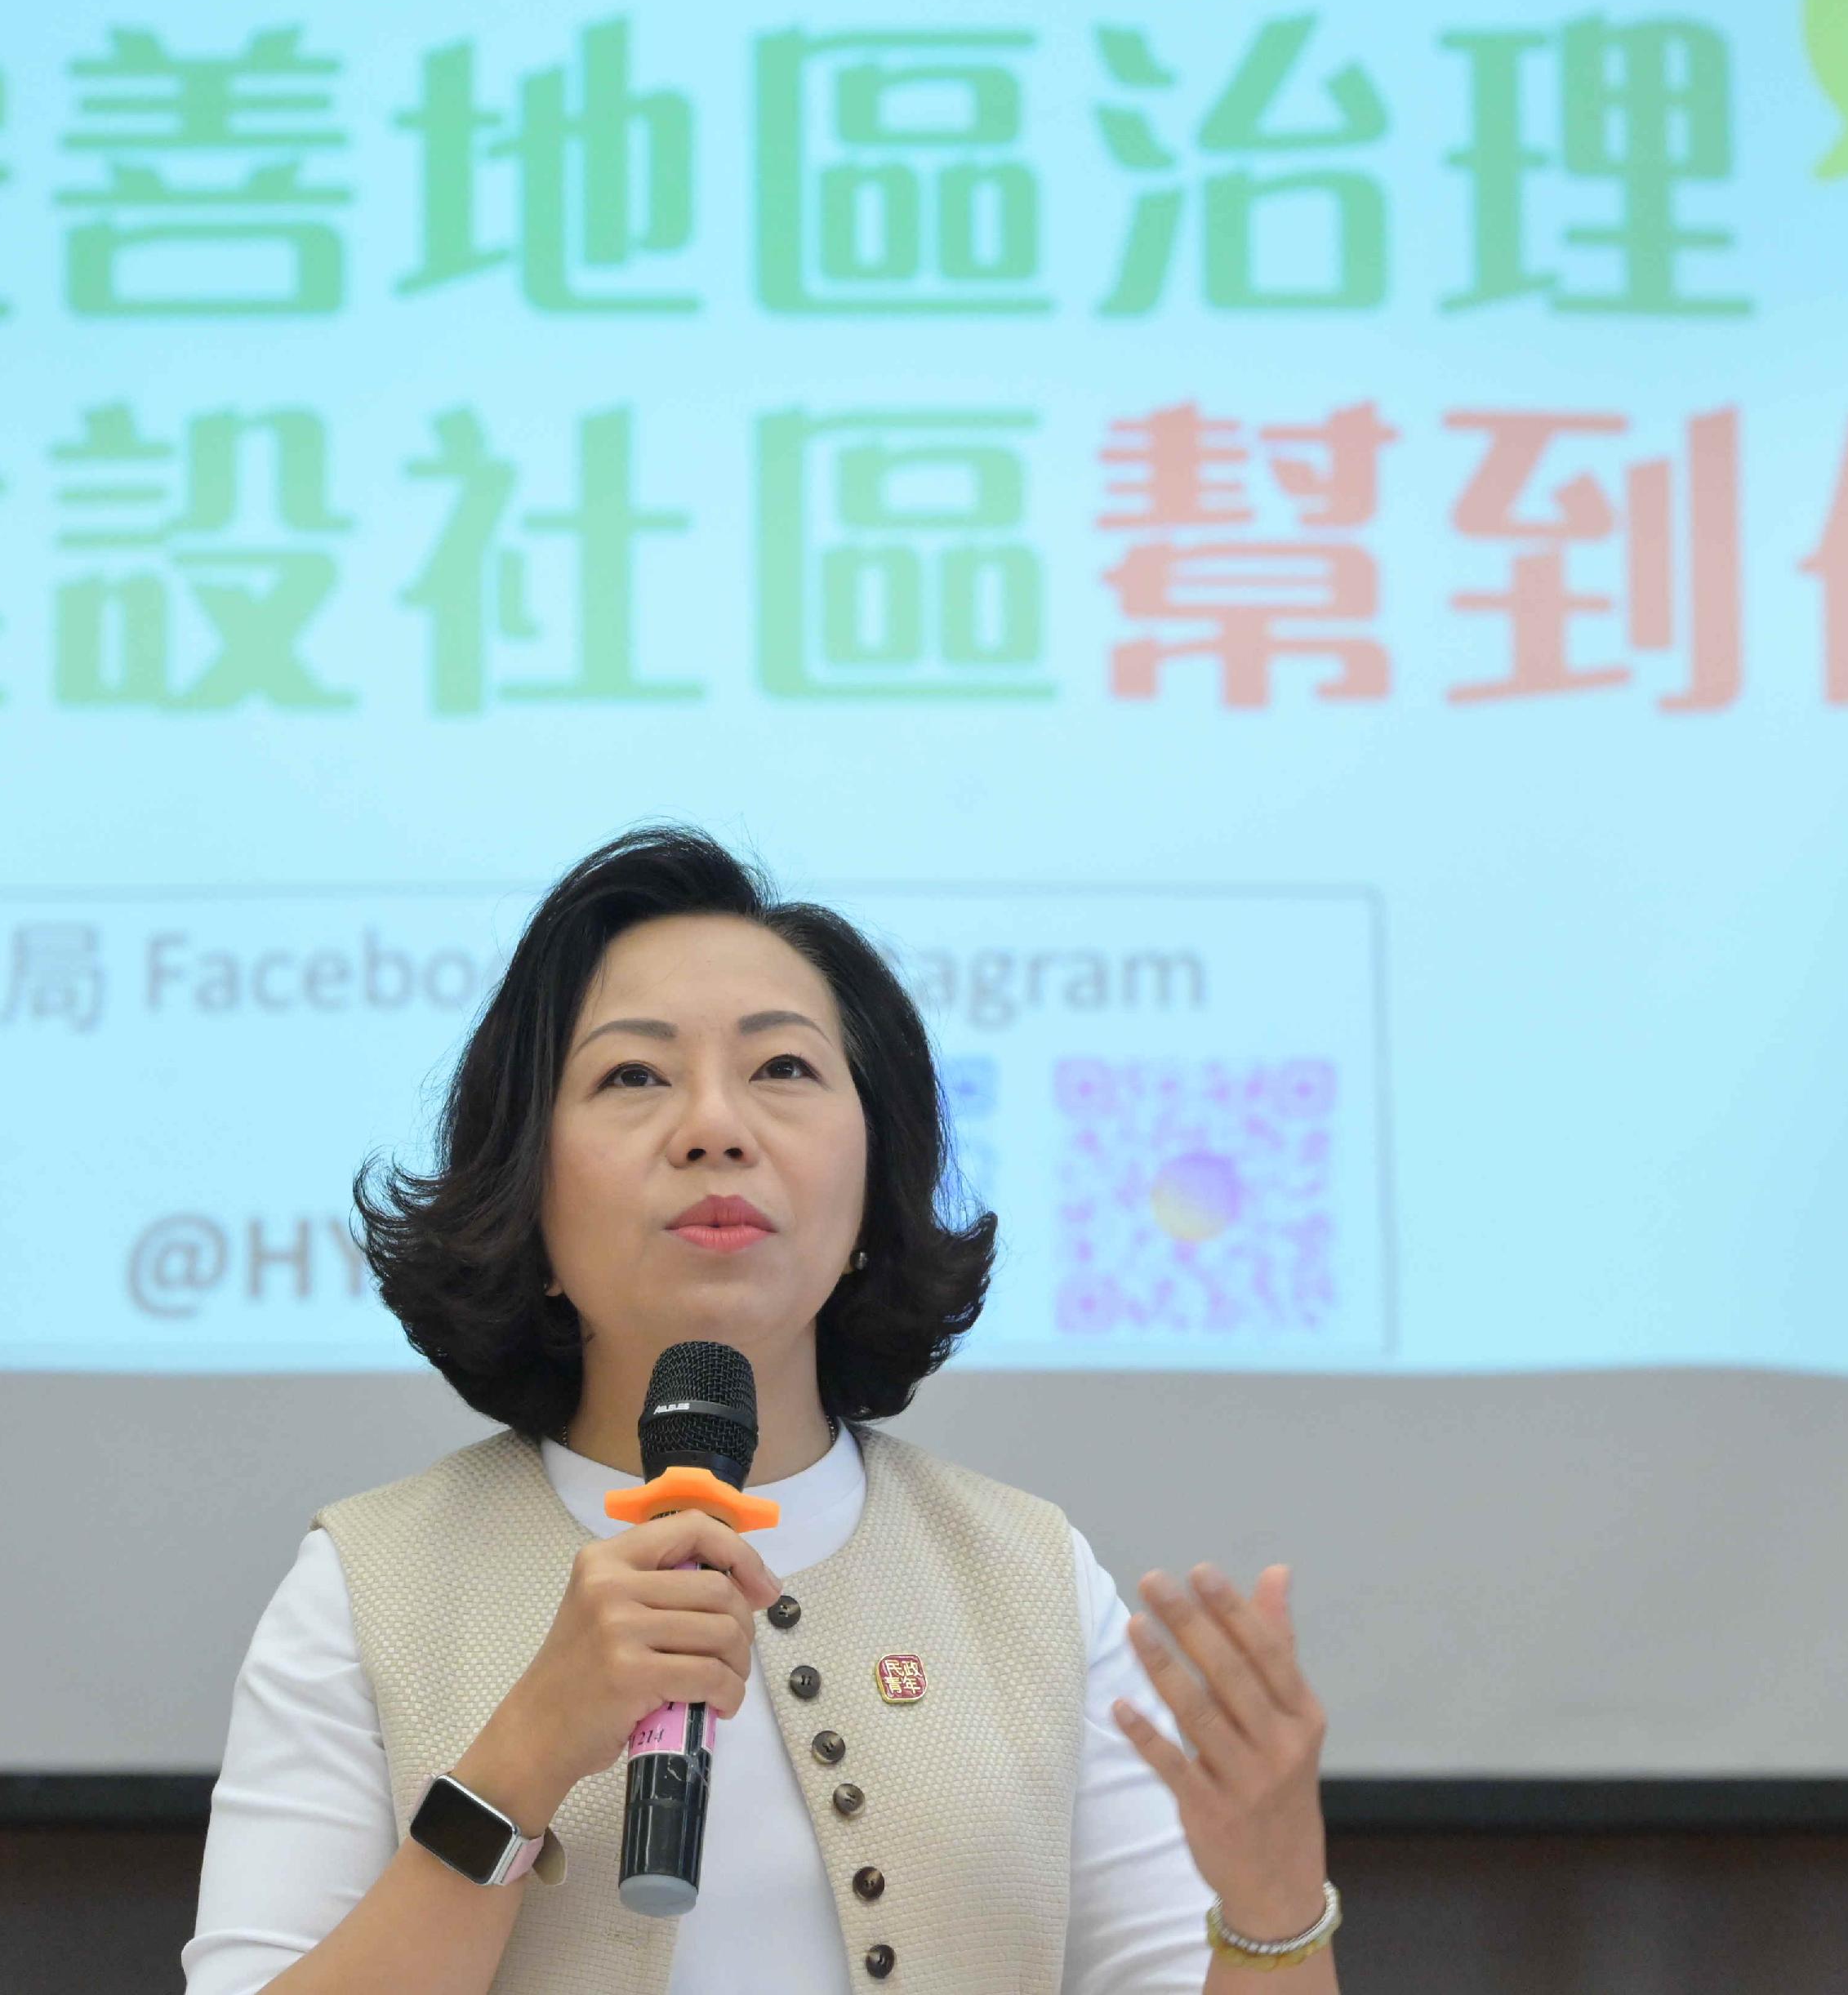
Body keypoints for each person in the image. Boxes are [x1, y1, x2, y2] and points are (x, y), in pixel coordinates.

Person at [185, 827, 1341, 1995]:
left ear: (872, 1188)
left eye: (782, 1070)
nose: (714, 1127)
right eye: (633, 1076)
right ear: (526, 1197)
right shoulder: (366, 1584)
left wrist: (1277, 1907)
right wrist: (522, 1759)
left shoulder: (1034, 1582)